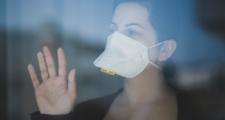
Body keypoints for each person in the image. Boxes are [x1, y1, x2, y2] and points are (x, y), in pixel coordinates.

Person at [27, 0, 177, 119]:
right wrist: (54, 116)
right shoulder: (87, 112)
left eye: (132, 31)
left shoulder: (194, 109)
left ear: (165, 50)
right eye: (113, 30)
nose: (116, 41)